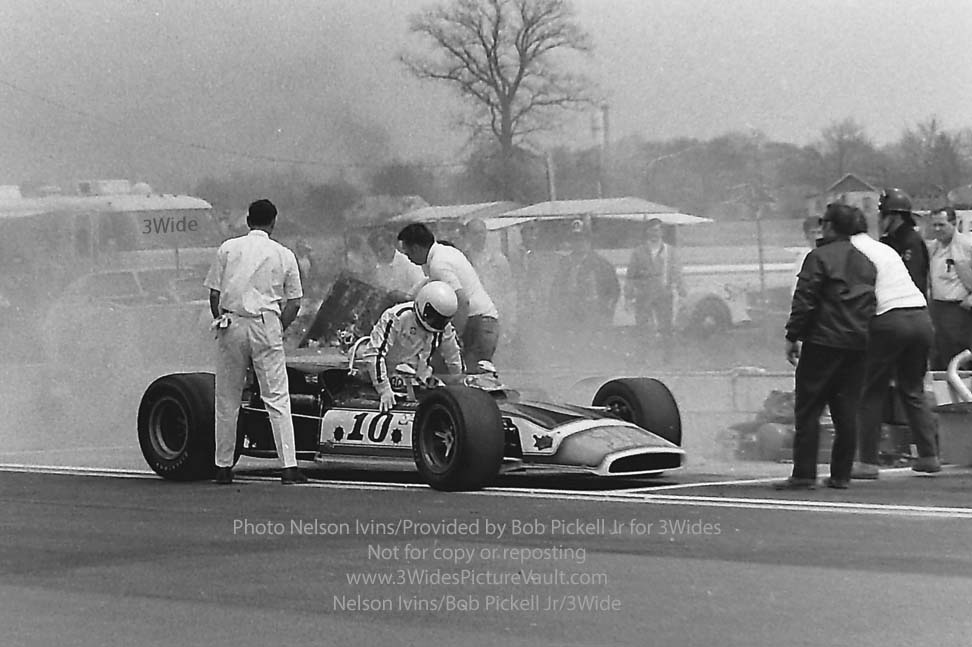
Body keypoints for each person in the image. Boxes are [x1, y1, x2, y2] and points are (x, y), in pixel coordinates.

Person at [204, 199, 307, 485]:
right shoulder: (284, 254)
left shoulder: (227, 248)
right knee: (277, 397)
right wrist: (278, 328)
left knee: (227, 398)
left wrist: (221, 319)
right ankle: (288, 466)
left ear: (248, 221)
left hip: (232, 321)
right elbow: (294, 302)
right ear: (273, 223)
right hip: (266, 322)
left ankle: (223, 466)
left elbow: (214, 294)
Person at [777, 203, 876, 490]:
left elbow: (805, 299)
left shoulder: (818, 257)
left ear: (829, 226)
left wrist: (793, 335)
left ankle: (804, 474)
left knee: (809, 409)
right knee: (846, 410)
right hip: (857, 344)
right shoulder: (866, 262)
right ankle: (841, 475)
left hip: (823, 341)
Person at [849, 207, 940, 478]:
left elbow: (856, 296)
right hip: (920, 316)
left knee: (871, 390)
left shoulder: (850, 251)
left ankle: (867, 462)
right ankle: (929, 455)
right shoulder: (883, 248)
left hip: (889, 319)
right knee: (912, 389)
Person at [397, 222, 499, 368]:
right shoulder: (446, 252)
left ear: (416, 249)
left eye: (408, 254)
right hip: (485, 322)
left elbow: (462, 301)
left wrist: (455, 339)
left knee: (468, 377)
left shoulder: (438, 265)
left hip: (478, 324)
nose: (409, 259)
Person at [354, 281, 464, 412]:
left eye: (440, 320)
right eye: (432, 317)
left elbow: (453, 357)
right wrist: (384, 389)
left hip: (410, 375)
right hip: (375, 372)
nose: (435, 323)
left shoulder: (444, 328)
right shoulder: (397, 316)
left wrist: (460, 383)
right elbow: (374, 354)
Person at [549, 219, 620, 336]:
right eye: (575, 240)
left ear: (589, 241)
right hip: (568, 316)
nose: (579, 243)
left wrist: (605, 313)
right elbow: (555, 289)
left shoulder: (602, 265)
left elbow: (613, 291)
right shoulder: (564, 263)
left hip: (593, 316)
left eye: (583, 239)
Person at [926, 206, 972, 369]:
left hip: (959, 308)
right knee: (939, 353)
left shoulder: (967, 246)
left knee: (958, 355)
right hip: (937, 307)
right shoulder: (932, 248)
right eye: (934, 225)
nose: (937, 229)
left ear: (954, 223)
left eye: (942, 225)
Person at [625, 217, 685, 342]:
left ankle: (666, 352)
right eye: (651, 230)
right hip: (644, 296)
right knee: (643, 329)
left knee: (666, 329)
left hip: (664, 296)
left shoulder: (670, 251)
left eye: (657, 230)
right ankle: (644, 352)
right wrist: (628, 297)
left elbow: (677, 273)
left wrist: (682, 293)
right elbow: (630, 276)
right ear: (647, 232)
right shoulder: (638, 252)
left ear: (662, 232)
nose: (655, 233)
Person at [462, 218, 517, 346]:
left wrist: (511, 322)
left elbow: (509, 291)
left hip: (495, 315)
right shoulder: (463, 260)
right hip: (472, 318)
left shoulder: (498, 260)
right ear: (468, 235)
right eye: (475, 233)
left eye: (482, 232)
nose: (480, 236)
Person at [878, 188, 929, 294]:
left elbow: (914, 279)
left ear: (896, 216)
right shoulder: (888, 240)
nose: (879, 220)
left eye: (883, 215)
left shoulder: (911, 241)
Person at [367, 227, 425, 298]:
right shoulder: (378, 270)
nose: (379, 254)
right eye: (376, 251)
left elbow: (422, 285)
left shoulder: (408, 263)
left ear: (391, 245)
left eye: (382, 249)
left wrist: (406, 296)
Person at [792, 215, 823, 293]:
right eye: (813, 233)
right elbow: (796, 288)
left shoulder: (834, 255)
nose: (816, 237)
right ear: (806, 235)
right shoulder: (803, 258)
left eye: (819, 232)